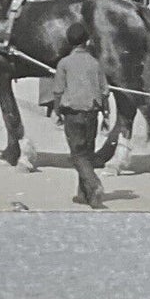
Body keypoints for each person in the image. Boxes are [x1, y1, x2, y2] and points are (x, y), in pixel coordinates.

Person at [45, 20, 110, 209]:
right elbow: (105, 90)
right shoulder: (95, 63)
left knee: (77, 155)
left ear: (69, 42)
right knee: (87, 152)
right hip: (93, 112)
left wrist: (56, 111)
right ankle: (84, 194)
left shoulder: (64, 63)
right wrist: (106, 114)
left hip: (72, 113)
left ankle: (94, 185)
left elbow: (57, 90)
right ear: (87, 42)